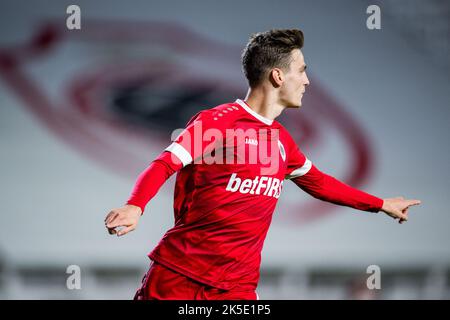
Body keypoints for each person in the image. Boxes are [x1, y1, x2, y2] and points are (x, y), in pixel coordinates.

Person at [104, 29, 421, 300]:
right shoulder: (219, 122)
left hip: (237, 288)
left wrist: (379, 203)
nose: (307, 81)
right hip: (181, 276)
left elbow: (320, 183)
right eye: (302, 70)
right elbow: (165, 163)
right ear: (278, 75)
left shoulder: (282, 141)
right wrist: (135, 206)